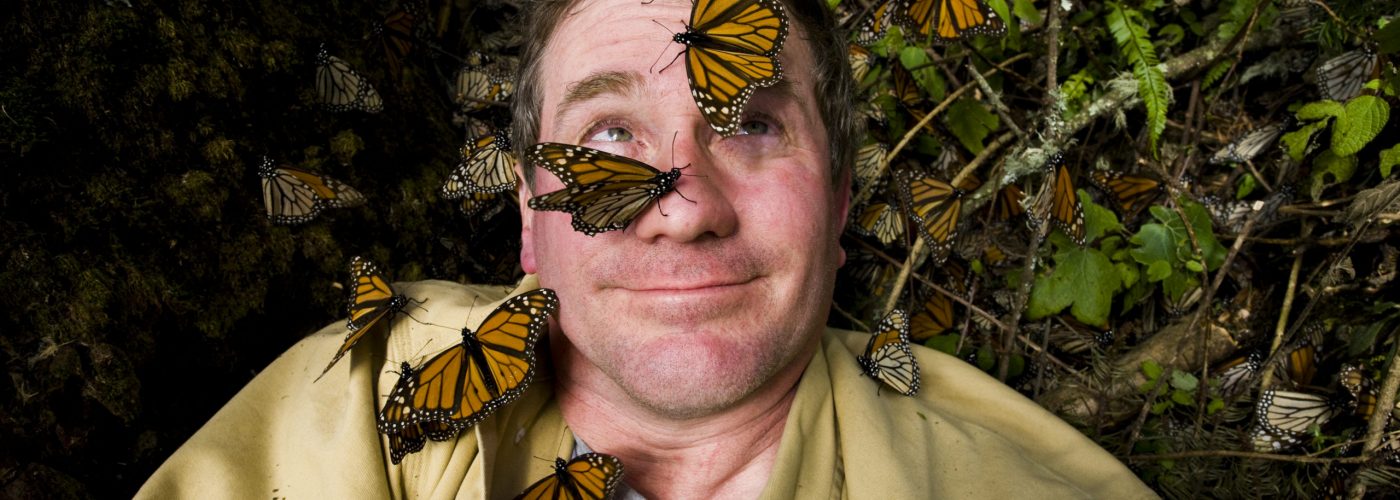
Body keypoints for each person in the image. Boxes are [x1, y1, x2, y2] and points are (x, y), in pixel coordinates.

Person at [139, 0, 1156, 497]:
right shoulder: (358, 400)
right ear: (528, 219)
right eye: (610, 137)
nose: (683, 206)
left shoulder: (1002, 484)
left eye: (750, 124)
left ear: (840, 202)